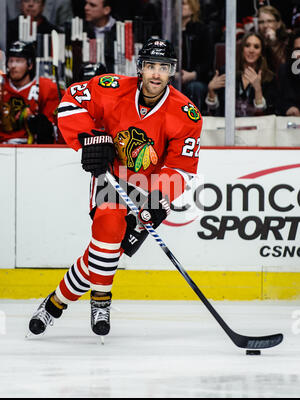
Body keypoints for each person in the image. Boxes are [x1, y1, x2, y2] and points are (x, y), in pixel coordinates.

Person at [27, 38, 203, 338]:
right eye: (151, 66)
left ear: (172, 71)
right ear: (140, 68)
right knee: (108, 233)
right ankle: (101, 302)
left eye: (163, 67)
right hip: (112, 177)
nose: (156, 74)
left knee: (104, 254)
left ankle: (54, 303)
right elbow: (71, 100)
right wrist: (90, 138)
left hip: (150, 188)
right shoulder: (112, 88)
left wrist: (158, 197)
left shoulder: (186, 114)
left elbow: (181, 167)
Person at [0, 41, 61, 144]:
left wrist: (45, 127)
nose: (13, 65)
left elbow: (55, 127)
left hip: (32, 148)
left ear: (30, 65)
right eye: (11, 61)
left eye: (19, 61)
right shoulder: (1, 85)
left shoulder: (47, 88)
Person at [205, 32, 278, 116]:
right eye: (247, 46)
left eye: (256, 47)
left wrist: (258, 89)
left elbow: (264, 113)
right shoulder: (227, 72)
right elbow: (213, 108)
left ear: (261, 52)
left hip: (257, 126)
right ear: (242, 49)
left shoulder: (269, 78)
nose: (251, 50)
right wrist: (211, 90)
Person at [181, 0, 214, 111]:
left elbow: (208, 61)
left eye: (183, 4)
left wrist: (193, 75)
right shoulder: (167, 29)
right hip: (170, 77)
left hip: (196, 78)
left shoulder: (202, 30)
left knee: (195, 87)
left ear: (192, 7)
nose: (179, 7)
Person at [84, 0, 117, 73]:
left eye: (92, 5)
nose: (86, 7)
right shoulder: (82, 29)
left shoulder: (121, 31)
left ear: (106, 10)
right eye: (86, 3)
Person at [6, 0, 73, 27]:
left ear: (42, 6)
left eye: (36, 1)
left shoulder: (51, 31)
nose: (30, 4)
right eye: (26, 0)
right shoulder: (8, 29)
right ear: (21, 4)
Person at [257, 5, 290, 75]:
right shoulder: (256, 42)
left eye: (269, 21)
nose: (265, 25)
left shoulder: (288, 40)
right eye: (261, 22)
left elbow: (284, 68)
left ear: (278, 24)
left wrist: (273, 44)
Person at [277, 28, 300, 116]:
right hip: (292, 122)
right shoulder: (285, 69)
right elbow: (278, 100)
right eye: (297, 49)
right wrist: (288, 108)